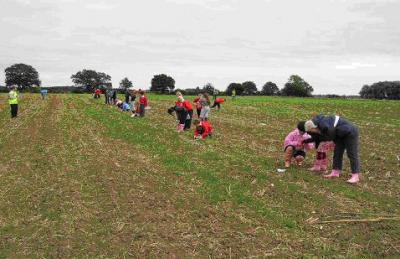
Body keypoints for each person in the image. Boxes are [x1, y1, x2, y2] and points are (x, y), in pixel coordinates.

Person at [305, 114, 361, 184]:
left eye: (311, 130)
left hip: (350, 132)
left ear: (313, 127)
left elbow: (328, 137)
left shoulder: (324, 125)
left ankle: (355, 176)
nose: (311, 132)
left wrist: (319, 136)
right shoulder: (319, 127)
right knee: (337, 152)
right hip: (339, 134)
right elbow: (320, 138)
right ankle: (336, 171)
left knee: (352, 153)